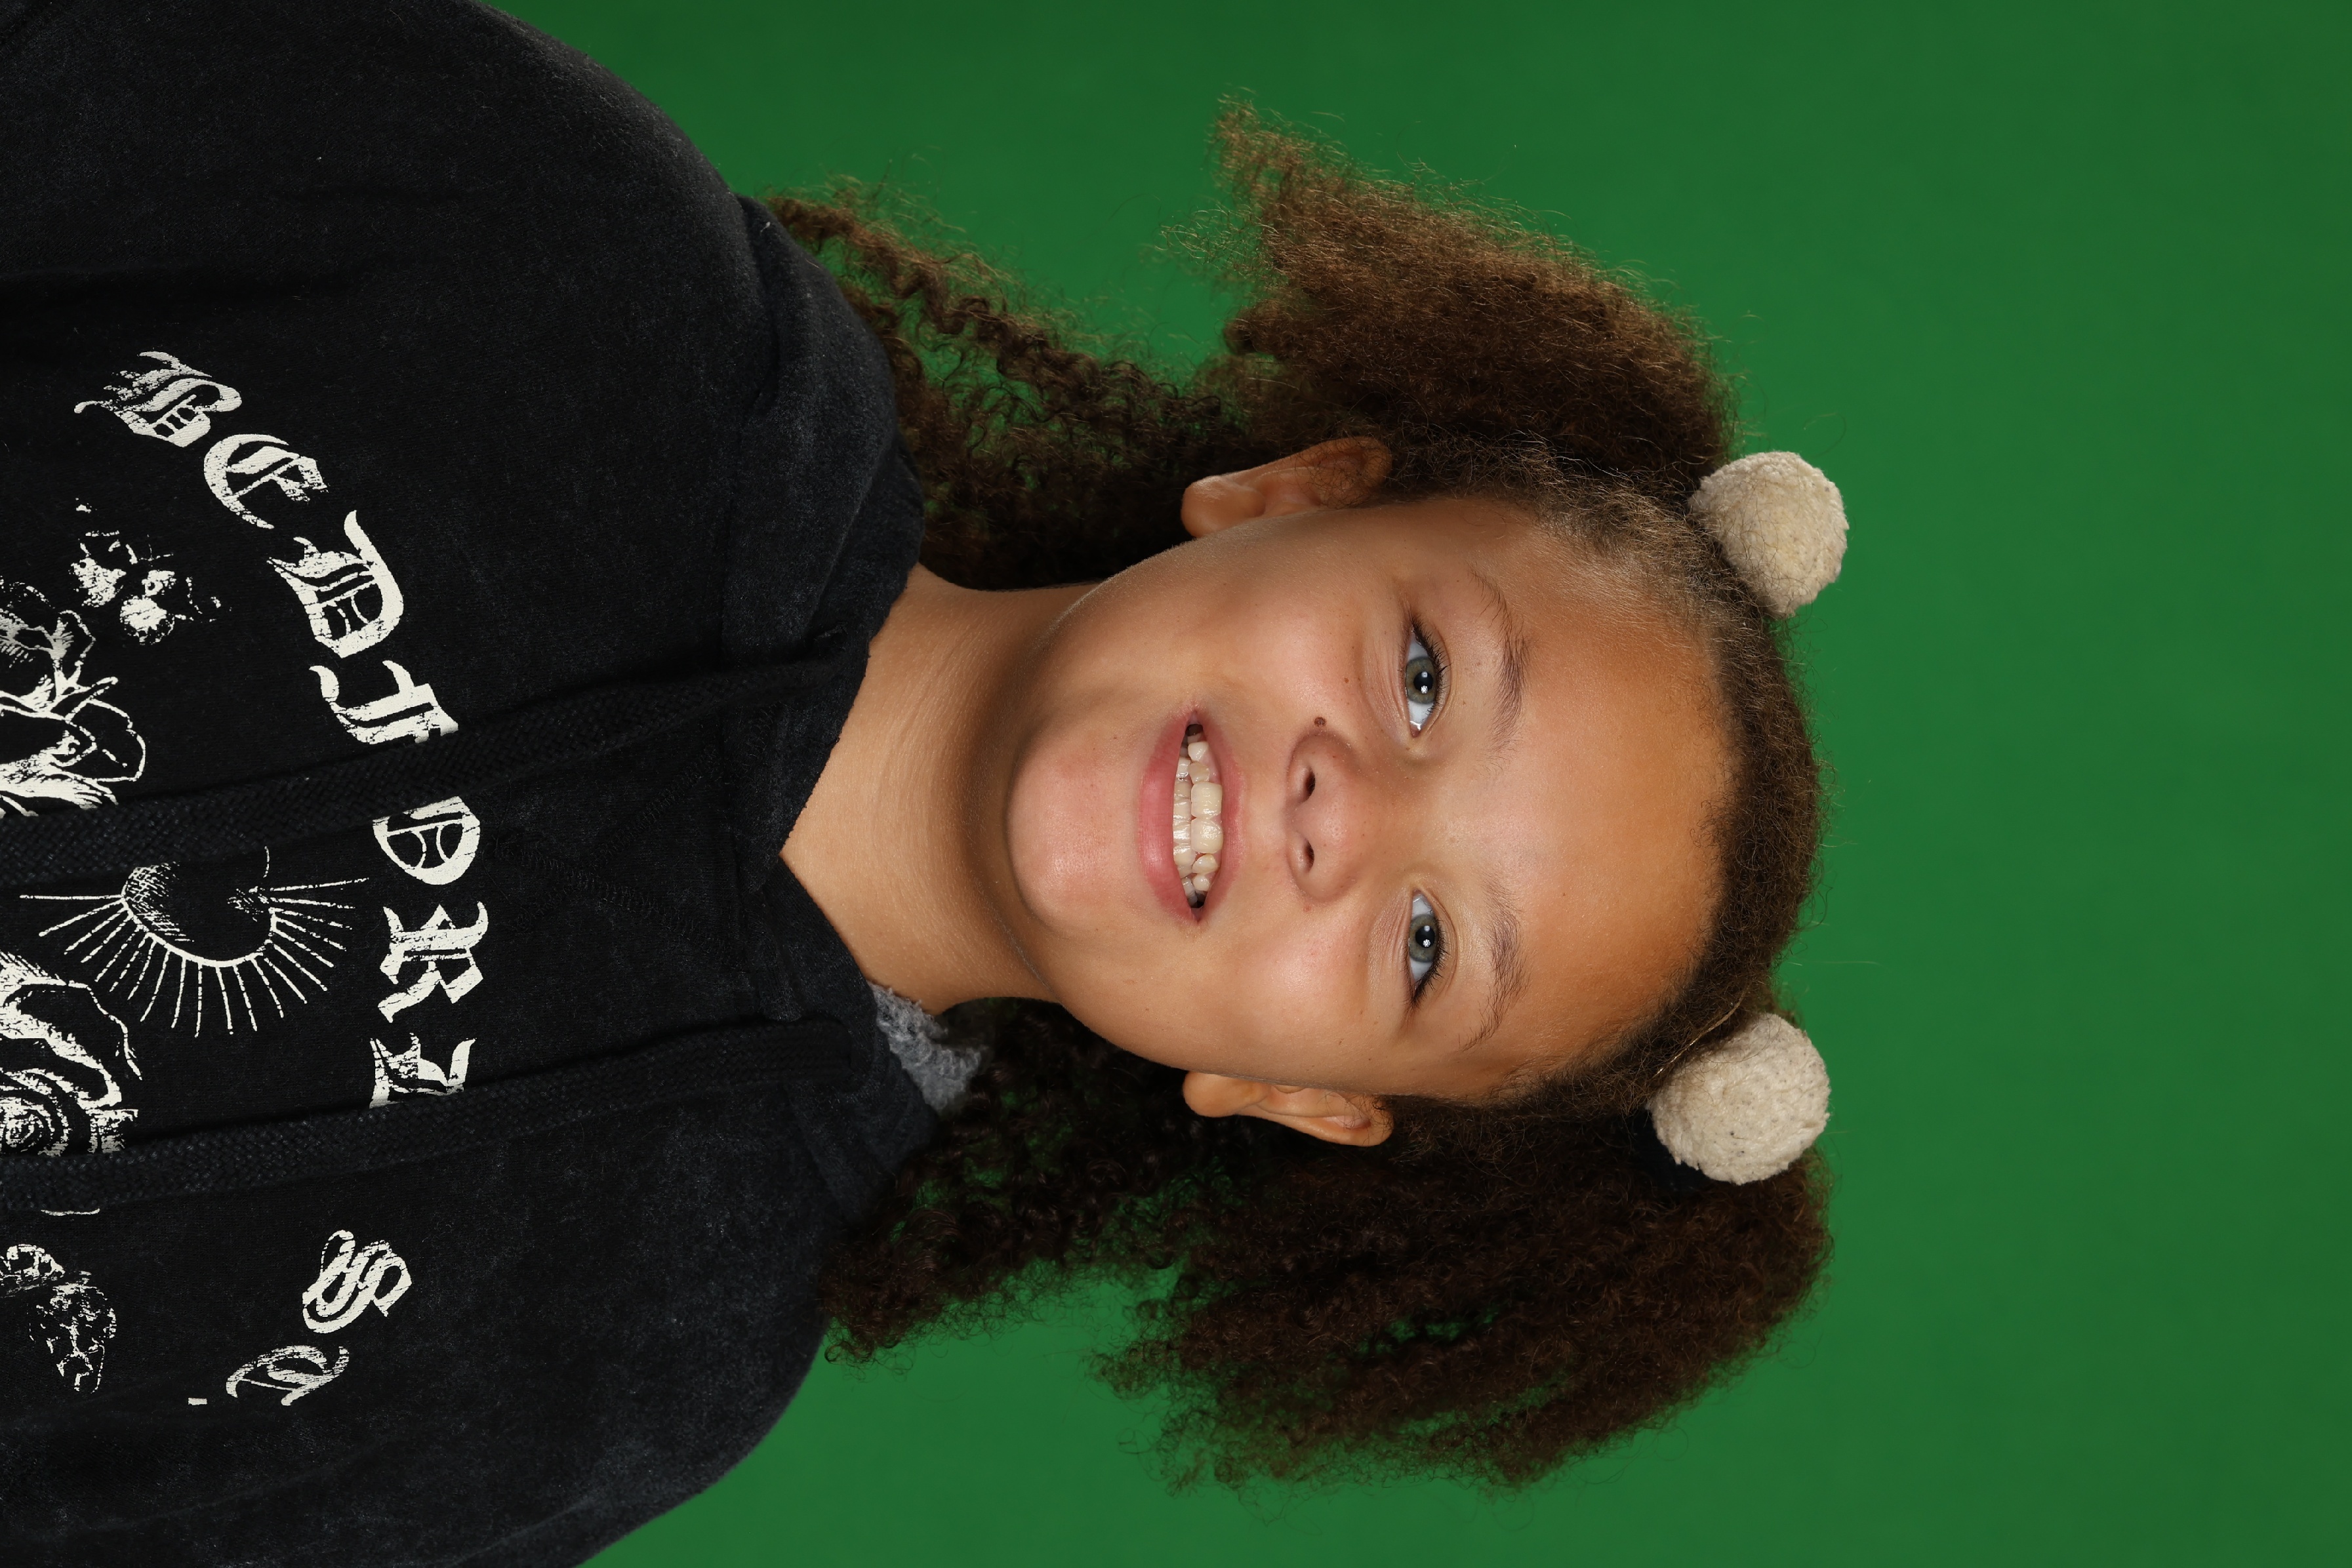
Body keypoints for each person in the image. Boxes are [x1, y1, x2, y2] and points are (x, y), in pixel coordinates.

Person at [0, 0, 1835, 1561]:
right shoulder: (573, 262)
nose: (1337, 815)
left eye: (1426, 946)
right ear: (1299, 494)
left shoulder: (641, 1365)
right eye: (1423, 674)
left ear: (1296, 1093)